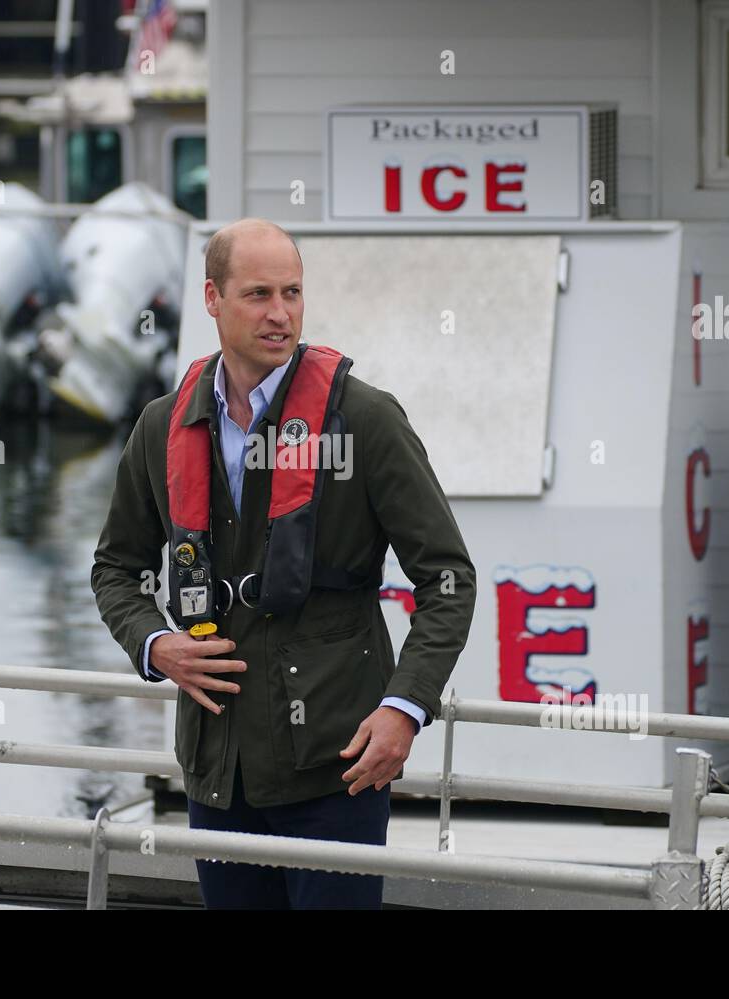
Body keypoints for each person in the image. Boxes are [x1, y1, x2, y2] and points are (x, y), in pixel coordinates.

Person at [90, 217, 475, 909]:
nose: (280, 313)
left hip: (338, 768)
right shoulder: (160, 426)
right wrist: (156, 645)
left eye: (292, 293)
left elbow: (448, 580)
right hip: (217, 770)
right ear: (211, 298)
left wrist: (405, 707)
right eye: (258, 294)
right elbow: (116, 568)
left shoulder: (366, 419)